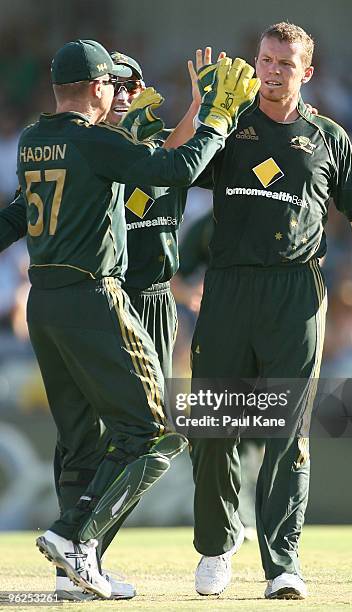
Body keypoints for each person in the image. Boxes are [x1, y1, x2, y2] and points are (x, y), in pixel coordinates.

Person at [12, 38, 259, 599]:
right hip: (93, 298)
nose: (119, 95)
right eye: (114, 86)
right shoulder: (95, 140)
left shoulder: (33, 140)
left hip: (44, 301)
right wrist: (216, 117)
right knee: (156, 432)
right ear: (99, 88)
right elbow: (175, 167)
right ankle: (77, 540)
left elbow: (16, 214)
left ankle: (73, 573)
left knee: (80, 441)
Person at [188, 22, 352, 600]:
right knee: (213, 422)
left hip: (296, 293)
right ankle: (217, 545)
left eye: (283, 62)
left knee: (287, 430)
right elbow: (177, 169)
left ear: (307, 72)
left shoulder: (328, 137)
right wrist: (204, 111)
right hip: (228, 289)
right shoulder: (229, 124)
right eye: (264, 59)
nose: (271, 70)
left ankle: (282, 563)